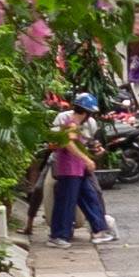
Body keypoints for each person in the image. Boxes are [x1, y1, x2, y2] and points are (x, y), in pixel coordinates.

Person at [47, 93, 117, 248]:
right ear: (86, 112)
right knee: (66, 203)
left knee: (89, 198)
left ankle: (99, 231)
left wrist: (89, 156)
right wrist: (86, 159)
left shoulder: (75, 125)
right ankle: (58, 235)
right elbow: (68, 144)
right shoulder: (71, 124)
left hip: (78, 170)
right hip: (69, 170)